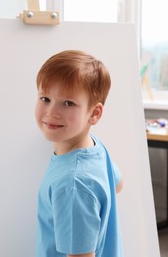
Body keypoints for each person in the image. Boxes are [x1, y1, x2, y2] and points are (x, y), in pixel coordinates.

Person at [35, 50, 124, 257]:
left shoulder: (72, 184)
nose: (51, 112)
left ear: (94, 113)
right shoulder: (95, 148)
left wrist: (78, 204)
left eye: (68, 103)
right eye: (45, 98)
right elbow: (117, 183)